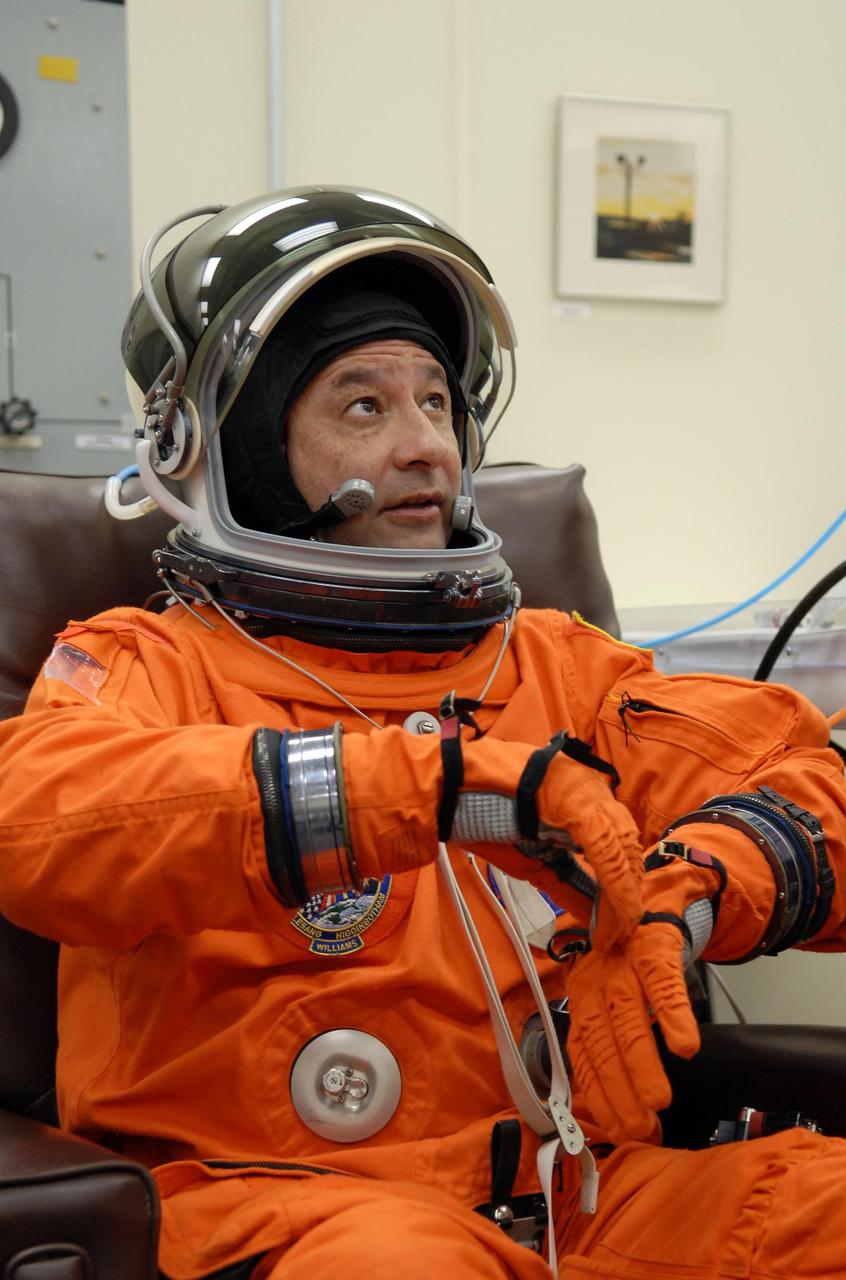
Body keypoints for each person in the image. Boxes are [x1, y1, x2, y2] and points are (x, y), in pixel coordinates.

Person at [0, 186, 844, 1280]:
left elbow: (799, 772)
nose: (423, 448)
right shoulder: (150, 664)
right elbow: (45, 821)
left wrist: (700, 893)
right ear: (242, 445)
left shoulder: (550, 662)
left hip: (579, 1187)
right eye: (363, 406)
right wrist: (437, 791)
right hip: (292, 1209)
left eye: (437, 402)